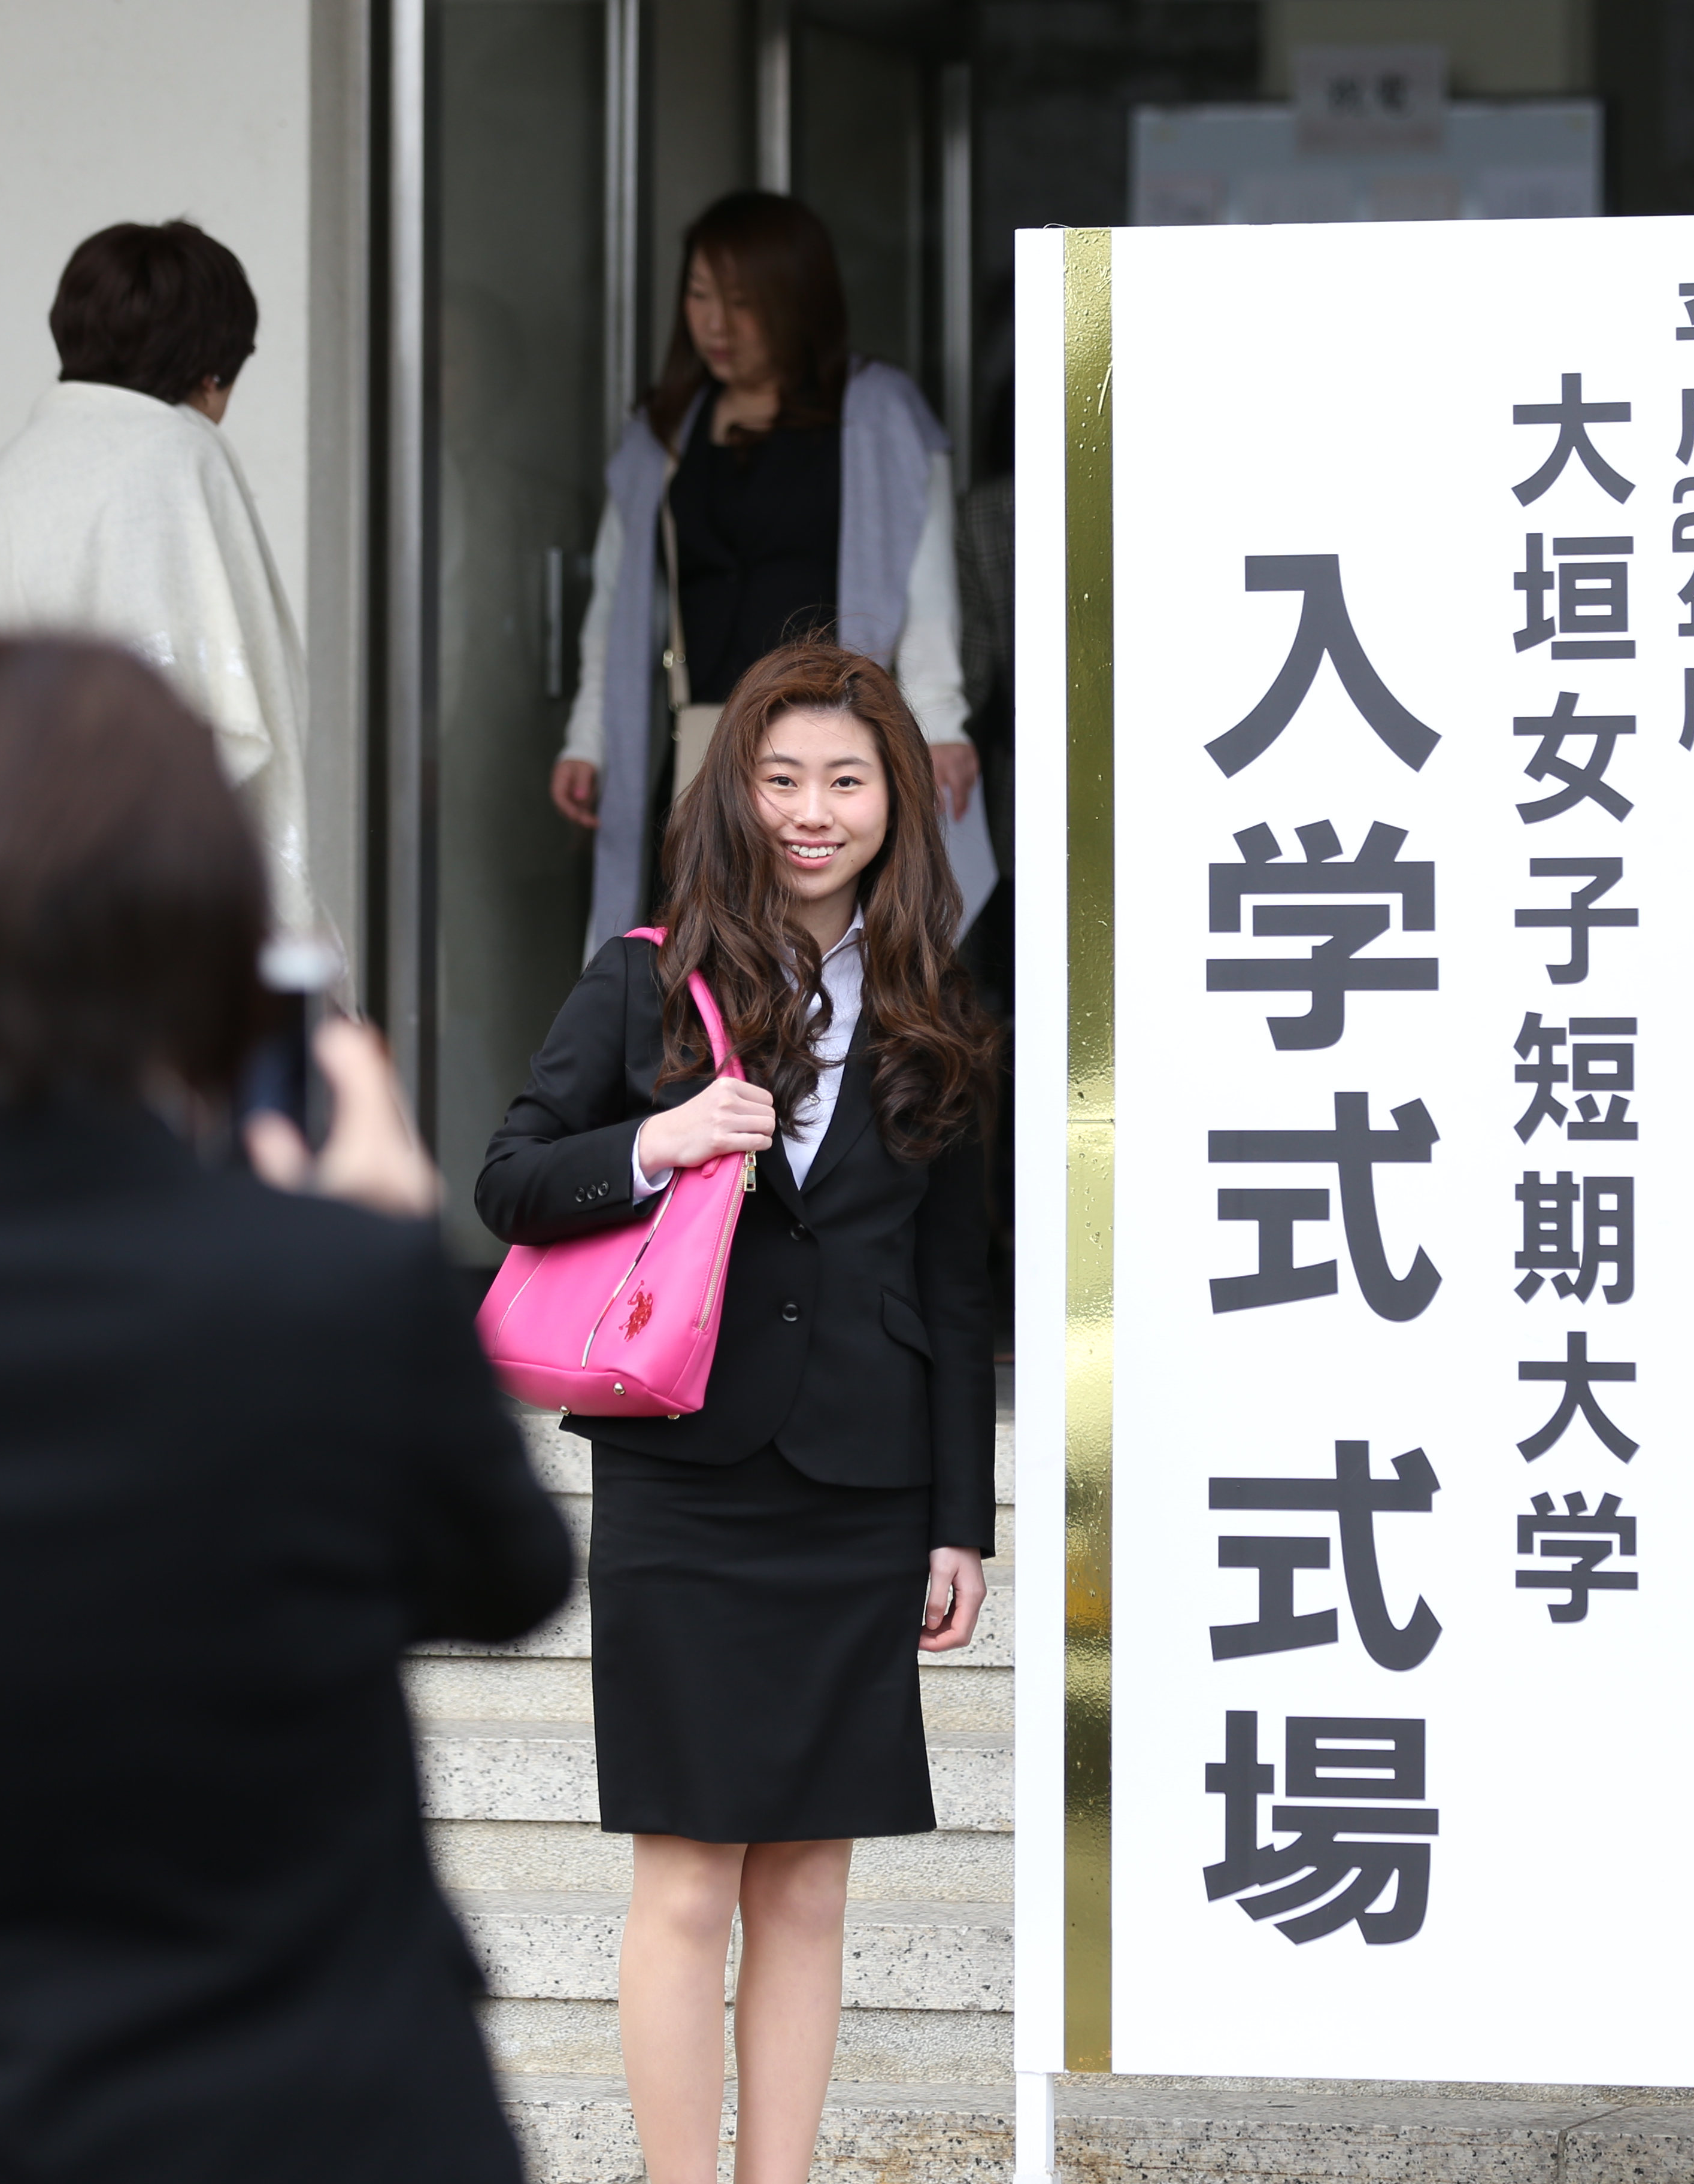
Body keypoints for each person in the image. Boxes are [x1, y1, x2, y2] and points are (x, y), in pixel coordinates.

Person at [0, 635, 571, 2183]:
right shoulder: (326, 1290)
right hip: (321, 2111)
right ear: (198, 917)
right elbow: (510, 1582)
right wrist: (388, 1234)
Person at [478, 638, 996, 2184]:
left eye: (845, 781)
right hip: (687, 1481)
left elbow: (957, 1287)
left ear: (896, 801)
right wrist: (661, 1139)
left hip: (857, 1484)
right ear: (737, 790)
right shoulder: (646, 971)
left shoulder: (939, 1004)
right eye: (780, 780)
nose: (811, 812)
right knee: (688, 1883)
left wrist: (960, 1521)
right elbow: (509, 1177)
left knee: (811, 1888)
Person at [548, 190, 973, 961]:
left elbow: (926, 580)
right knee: (693, 960)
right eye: (700, 296)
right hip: (701, 749)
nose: (714, 324)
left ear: (796, 299)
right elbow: (618, 604)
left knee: (845, 954)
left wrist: (939, 719)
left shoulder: (874, 410)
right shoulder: (665, 428)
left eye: (742, 302)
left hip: (830, 748)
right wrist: (589, 739)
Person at [0, 219, 317, 938]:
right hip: (128, 906)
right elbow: (217, 713)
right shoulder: (178, 452)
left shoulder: (20, 464)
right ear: (212, 370)